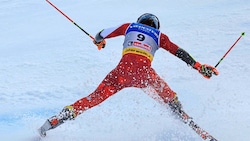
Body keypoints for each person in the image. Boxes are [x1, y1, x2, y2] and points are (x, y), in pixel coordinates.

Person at [38, 13, 219, 137]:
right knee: (168, 95)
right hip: (144, 75)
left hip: (121, 73)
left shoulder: (128, 26)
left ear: (139, 21)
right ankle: (179, 111)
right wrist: (198, 66)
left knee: (93, 99)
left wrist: (98, 42)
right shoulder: (159, 35)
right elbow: (178, 52)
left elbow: (101, 34)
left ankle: (58, 119)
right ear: (156, 26)